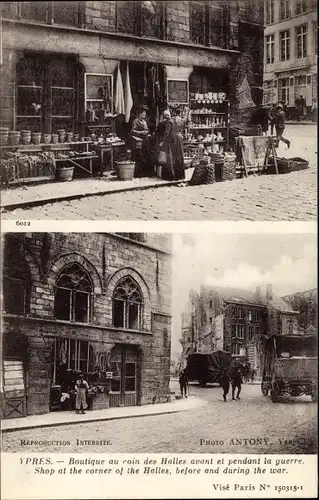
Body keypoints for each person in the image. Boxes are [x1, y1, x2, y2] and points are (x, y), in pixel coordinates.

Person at [157, 108, 185, 181]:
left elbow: (167, 132)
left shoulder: (171, 121)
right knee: (179, 156)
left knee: (170, 157)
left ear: (173, 113)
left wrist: (163, 141)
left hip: (172, 139)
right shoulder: (182, 120)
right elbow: (182, 130)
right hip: (179, 138)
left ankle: (171, 176)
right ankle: (179, 176)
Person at [130, 105, 154, 177]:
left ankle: (146, 173)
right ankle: (138, 174)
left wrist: (146, 131)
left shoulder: (144, 121)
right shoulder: (136, 121)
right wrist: (141, 132)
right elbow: (132, 131)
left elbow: (147, 129)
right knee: (139, 157)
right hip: (139, 142)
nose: (145, 114)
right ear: (140, 113)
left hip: (146, 141)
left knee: (147, 156)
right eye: (144, 113)